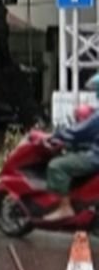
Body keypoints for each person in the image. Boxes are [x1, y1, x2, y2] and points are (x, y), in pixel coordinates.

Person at [43, 77, 99, 221]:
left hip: (95, 157)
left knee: (56, 166)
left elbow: (77, 132)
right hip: (93, 151)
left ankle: (64, 207)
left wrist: (55, 135)